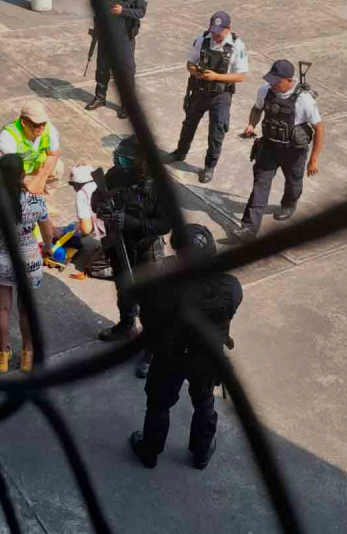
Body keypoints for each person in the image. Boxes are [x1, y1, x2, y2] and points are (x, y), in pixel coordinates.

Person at [129, 225, 244, 470]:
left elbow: (148, 320)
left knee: (159, 403)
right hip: (207, 355)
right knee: (203, 402)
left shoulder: (164, 287)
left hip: (171, 354)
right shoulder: (229, 286)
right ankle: (201, 452)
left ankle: (150, 451)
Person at [91, 135, 171, 378]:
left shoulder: (159, 185)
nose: (120, 160)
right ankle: (126, 326)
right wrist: (101, 206)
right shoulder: (116, 174)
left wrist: (132, 222)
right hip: (119, 243)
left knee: (150, 303)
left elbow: (164, 224)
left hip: (146, 249)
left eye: (128, 157)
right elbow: (97, 197)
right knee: (124, 290)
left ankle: (151, 348)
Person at [0, 154, 53, 373]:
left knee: (2, 308)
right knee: (25, 309)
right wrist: (48, 248)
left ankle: (2, 355)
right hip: (28, 261)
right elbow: (47, 232)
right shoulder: (36, 202)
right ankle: (27, 354)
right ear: (22, 174)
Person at [233, 60, 325, 240]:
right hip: (268, 146)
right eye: (271, 79)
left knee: (293, 182)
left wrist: (313, 158)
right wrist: (251, 125)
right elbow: (257, 109)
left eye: (277, 81)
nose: (272, 84)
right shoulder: (265, 90)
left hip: (293, 151)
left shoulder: (304, 100)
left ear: (289, 80)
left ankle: (289, 204)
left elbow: (319, 128)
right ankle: (248, 228)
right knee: (260, 185)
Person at [164, 11, 249, 184]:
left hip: (221, 95)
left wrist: (216, 77)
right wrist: (197, 72)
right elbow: (190, 64)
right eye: (213, 31)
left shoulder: (237, 46)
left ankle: (209, 166)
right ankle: (180, 152)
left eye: (219, 32)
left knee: (216, 132)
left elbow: (240, 76)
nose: (216, 35)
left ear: (228, 29)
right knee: (189, 124)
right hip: (200, 90)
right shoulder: (202, 39)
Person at [84, 0, 147, 120]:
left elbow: (141, 12)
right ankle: (100, 97)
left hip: (124, 37)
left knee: (126, 71)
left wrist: (123, 11)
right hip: (106, 34)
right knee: (102, 66)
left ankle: (127, 105)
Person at [0, 100, 64, 195]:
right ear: (23, 122)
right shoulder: (8, 137)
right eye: (36, 124)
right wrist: (29, 186)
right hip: (17, 174)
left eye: (43, 123)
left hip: (37, 169)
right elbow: (8, 171)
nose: (41, 128)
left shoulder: (49, 130)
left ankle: (43, 197)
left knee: (58, 167)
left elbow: (53, 155)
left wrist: (41, 178)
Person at [66, 164, 106, 278]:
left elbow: (86, 229)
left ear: (77, 184)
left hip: (115, 237)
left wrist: (77, 230)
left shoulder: (81, 194)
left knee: (93, 269)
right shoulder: (102, 184)